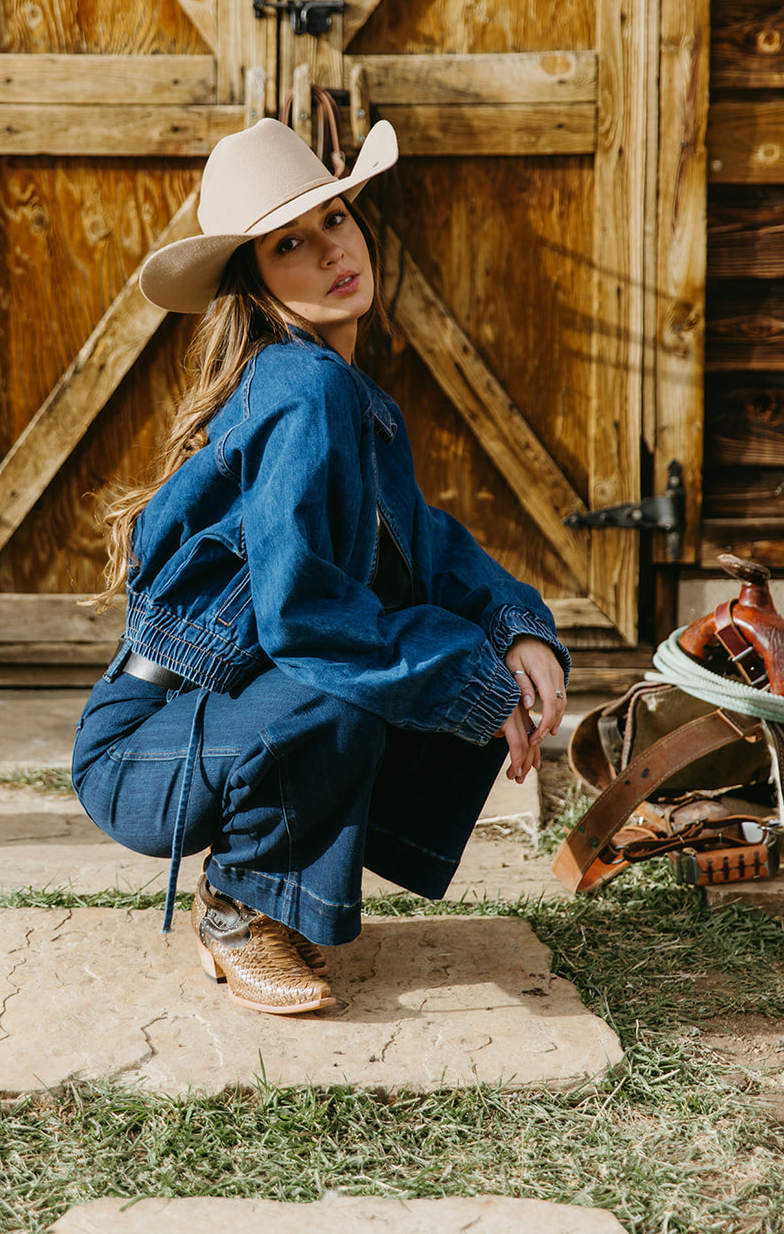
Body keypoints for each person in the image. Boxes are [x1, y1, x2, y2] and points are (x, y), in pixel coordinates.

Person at [72, 116, 570, 1017]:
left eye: (336, 218)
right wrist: (472, 674)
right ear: (256, 280)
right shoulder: (301, 387)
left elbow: (428, 544)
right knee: (347, 677)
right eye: (290, 244)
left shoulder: (348, 396)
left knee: (413, 657)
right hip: (144, 746)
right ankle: (240, 905)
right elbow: (302, 618)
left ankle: (278, 890)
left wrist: (513, 625)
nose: (332, 251)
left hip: (209, 725)